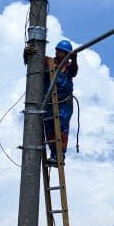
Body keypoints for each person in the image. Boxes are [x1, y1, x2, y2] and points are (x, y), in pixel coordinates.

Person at [43, 38, 78, 166]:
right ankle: (54, 155)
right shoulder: (49, 62)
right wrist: (28, 52)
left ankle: (59, 156)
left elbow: (74, 71)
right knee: (50, 128)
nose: (59, 54)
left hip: (64, 103)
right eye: (59, 51)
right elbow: (33, 60)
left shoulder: (68, 67)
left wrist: (74, 59)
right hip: (49, 102)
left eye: (63, 52)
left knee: (61, 128)